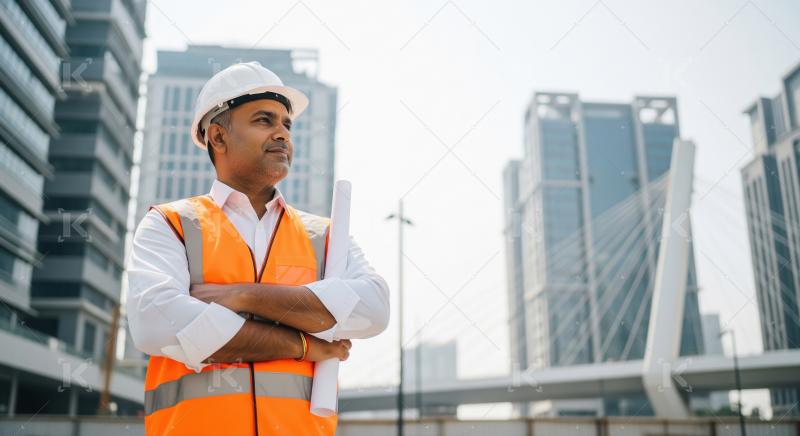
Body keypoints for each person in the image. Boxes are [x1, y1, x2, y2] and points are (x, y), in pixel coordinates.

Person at [126, 61, 390, 435]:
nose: (282, 133)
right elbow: (156, 323)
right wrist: (304, 343)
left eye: (287, 124)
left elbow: (374, 311)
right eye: (264, 120)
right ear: (218, 137)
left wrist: (244, 296)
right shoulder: (171, 224)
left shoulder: (325, 236)